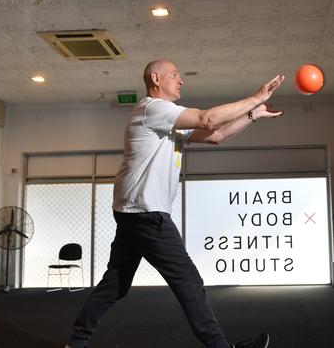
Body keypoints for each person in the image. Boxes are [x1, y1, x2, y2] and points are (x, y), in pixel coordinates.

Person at [66, 59, 285, 348]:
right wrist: (255, 97)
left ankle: (75, 344)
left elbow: (216, 135)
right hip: (146, 213)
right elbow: (208, 119)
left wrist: (253, 115)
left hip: (134, 211)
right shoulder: (152, 109)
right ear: (155, 78)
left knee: (115, 284)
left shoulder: (166, 118)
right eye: (174, 75)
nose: (181, 80)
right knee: (189, 281)